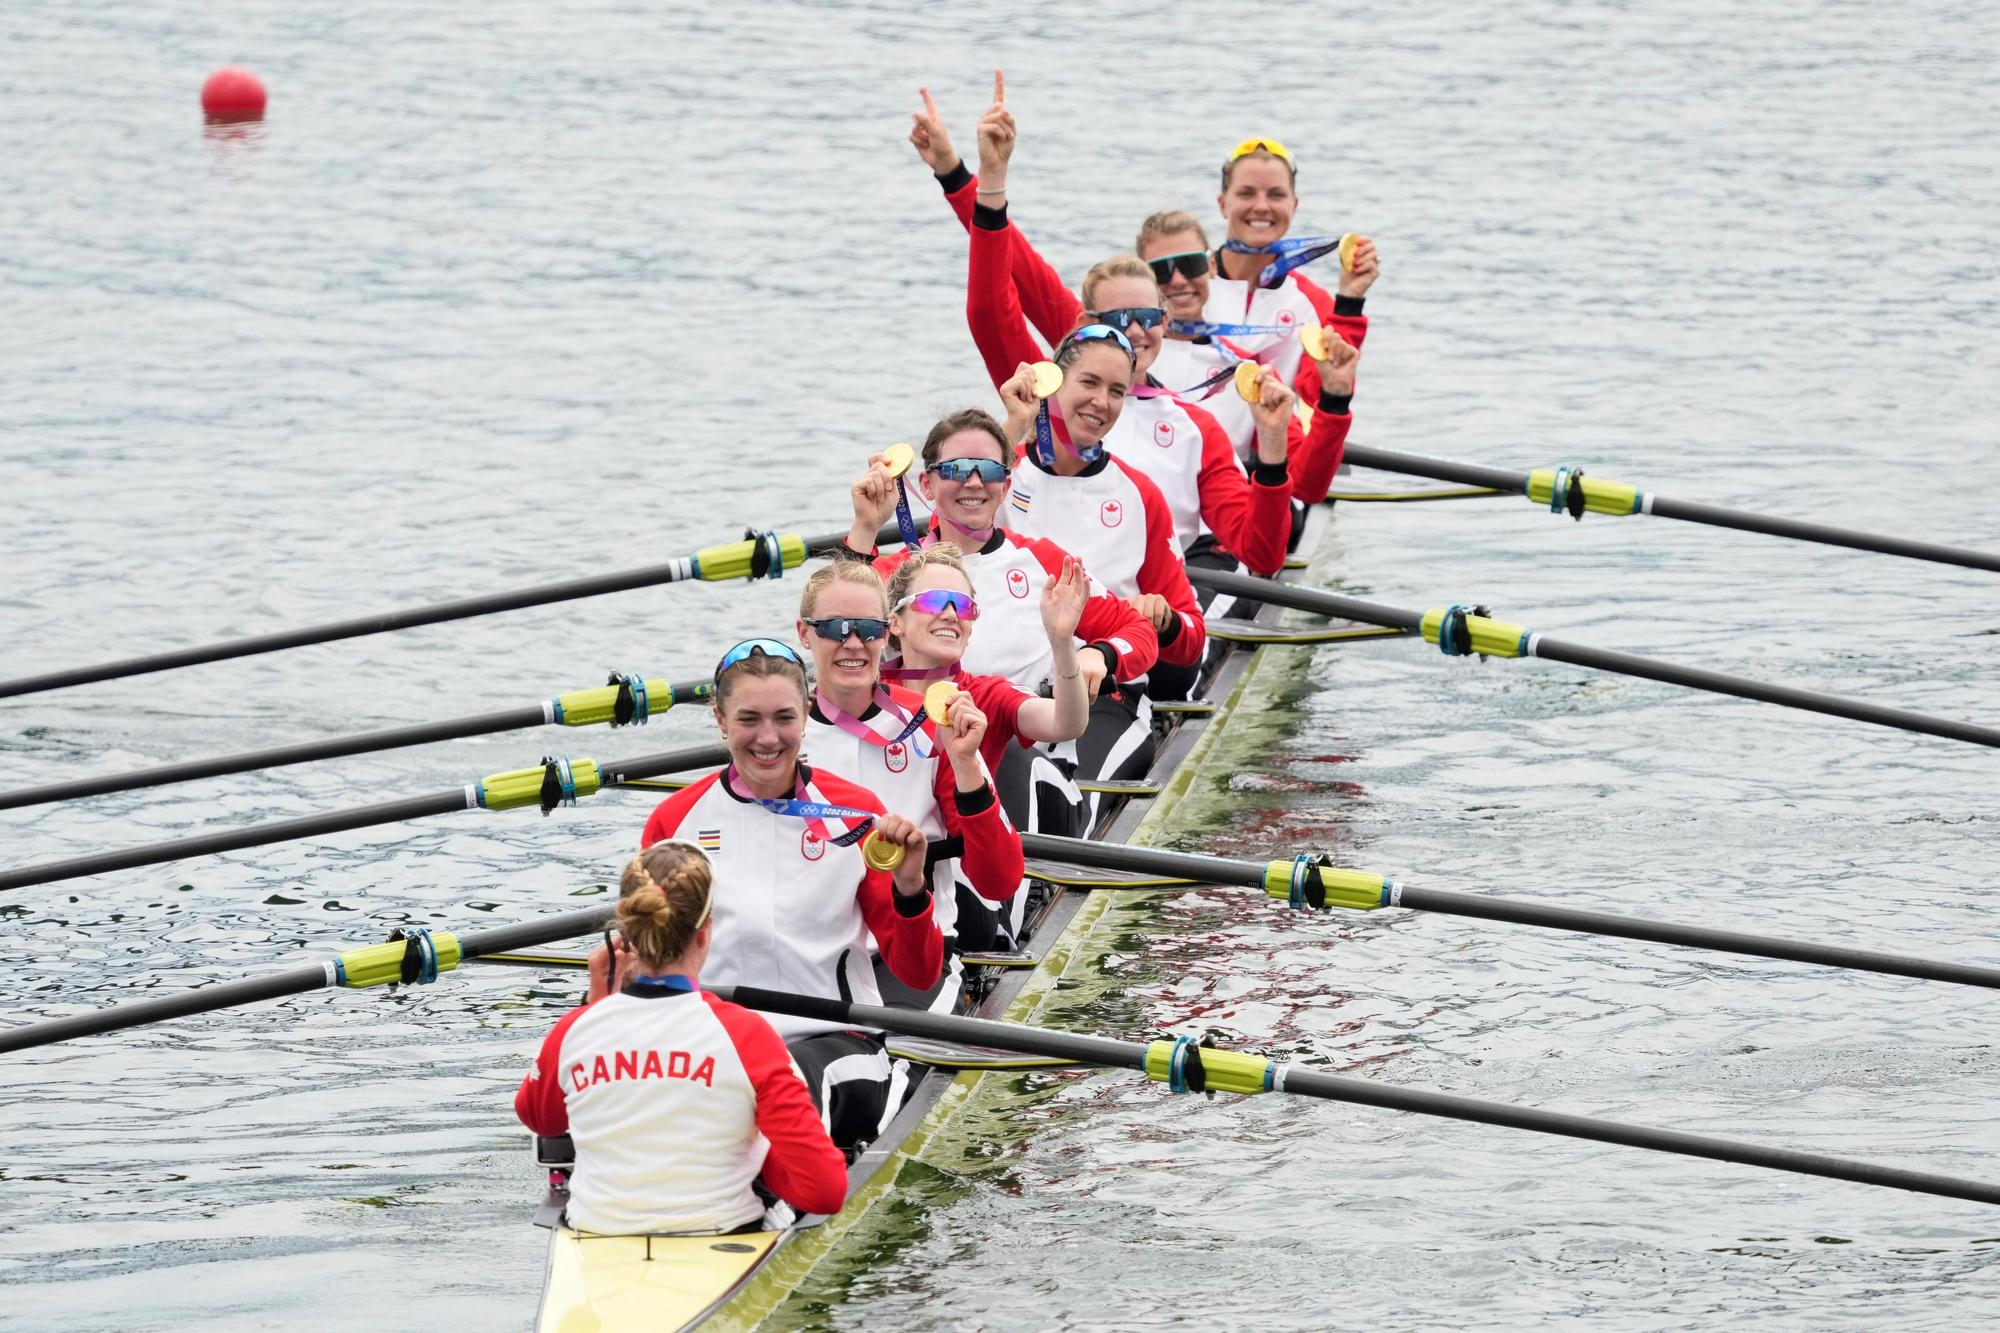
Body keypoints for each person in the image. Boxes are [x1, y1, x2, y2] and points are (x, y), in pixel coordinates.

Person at [909, 78, 1365, 509]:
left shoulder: (1246, 374)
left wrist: (1335, 401)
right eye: (1160, 273)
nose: (1178, 282)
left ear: (1206, 270)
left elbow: (1305, 484)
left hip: (1207, 549)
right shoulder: (1102, 343)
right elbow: (1009, 283)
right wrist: (960, 175)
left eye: (1188, 265)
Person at [639, 639, 942, 1150]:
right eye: (748, 719)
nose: (767, 738)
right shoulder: (675, 823)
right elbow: (650, 966)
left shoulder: (856, 813)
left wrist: (910, 886)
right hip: (717, 1045)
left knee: (780, 1091)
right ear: (720, 719)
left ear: (806, 714)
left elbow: (918, 974)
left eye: (783, 718)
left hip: (835, 1042)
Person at [514, 842, 848, 1235]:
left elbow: (541, 1118)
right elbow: (825, 1191)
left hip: (596, 1231)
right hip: (722, 1232)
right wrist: (756, 1158)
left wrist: (595, 1004)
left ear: (626, 933)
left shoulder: (576, 1028)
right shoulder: (748, 1036)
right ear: (705, 933)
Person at [845, 409, 1162, 812]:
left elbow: (1137, 629)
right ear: (926, 483)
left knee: (1010, 756)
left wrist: (1099, 654)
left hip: (1038, 740)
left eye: (989, 470)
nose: (974, 482)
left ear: (1006, 485)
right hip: (932, 750)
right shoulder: (894, 573)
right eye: (957, 469)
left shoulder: (1041, 560)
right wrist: (865, 526)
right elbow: (835, 638)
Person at [792, 559, 1024, 1004]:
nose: (854, 643)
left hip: (909, 957)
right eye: (836, 628)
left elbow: (999, 880)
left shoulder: (929, 727)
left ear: (887, 631)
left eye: (868, 628)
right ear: (805, 633)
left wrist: (966, 764)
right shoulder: (782, 736)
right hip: (808, 958)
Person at [882, 540, 1091, 945]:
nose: (949, 614)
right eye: (933, 602)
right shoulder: (863, 698)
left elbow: (1067, 723)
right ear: (896, 622)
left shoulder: (985, 695)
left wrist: (1061, 642)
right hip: (885, 861)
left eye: (961, 606)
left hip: (962, 870)